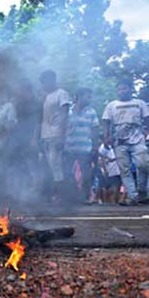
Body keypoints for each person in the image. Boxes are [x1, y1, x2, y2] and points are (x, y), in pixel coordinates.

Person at [102, 79, 149, 205]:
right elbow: (106, 122)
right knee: (125, 170)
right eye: (119, 89)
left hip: (138, 139)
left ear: (130, 89)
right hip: (119, 141)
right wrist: (106, 137)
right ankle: (133, 197)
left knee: (143, 164)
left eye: (124, 88)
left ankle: (142, 192)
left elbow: (147, 118)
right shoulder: (111, 105)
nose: (121, 91)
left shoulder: (140, 103)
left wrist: (147, 131)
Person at [39, 70, 71, 202]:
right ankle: (51, 195)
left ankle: (61, 197)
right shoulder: (45, 96)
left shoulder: (62, 94)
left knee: (56, 166)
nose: (43, 85)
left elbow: (64, 116)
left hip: (56, 134)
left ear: (51, 80)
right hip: (45, 135)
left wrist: (61, 137)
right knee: (48, 167)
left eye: (44, 82)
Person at [63, 87, 99, 203]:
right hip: (69, 147)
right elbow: (62, 128)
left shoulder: (91, 111)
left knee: (86, 175)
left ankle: (85, 197)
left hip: (85, 148)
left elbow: (95, 130)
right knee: (67, 172)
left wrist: (95, 146)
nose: (90, 99)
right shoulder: (68, 111)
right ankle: (73, 195)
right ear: (79, 96)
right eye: (88, 96)